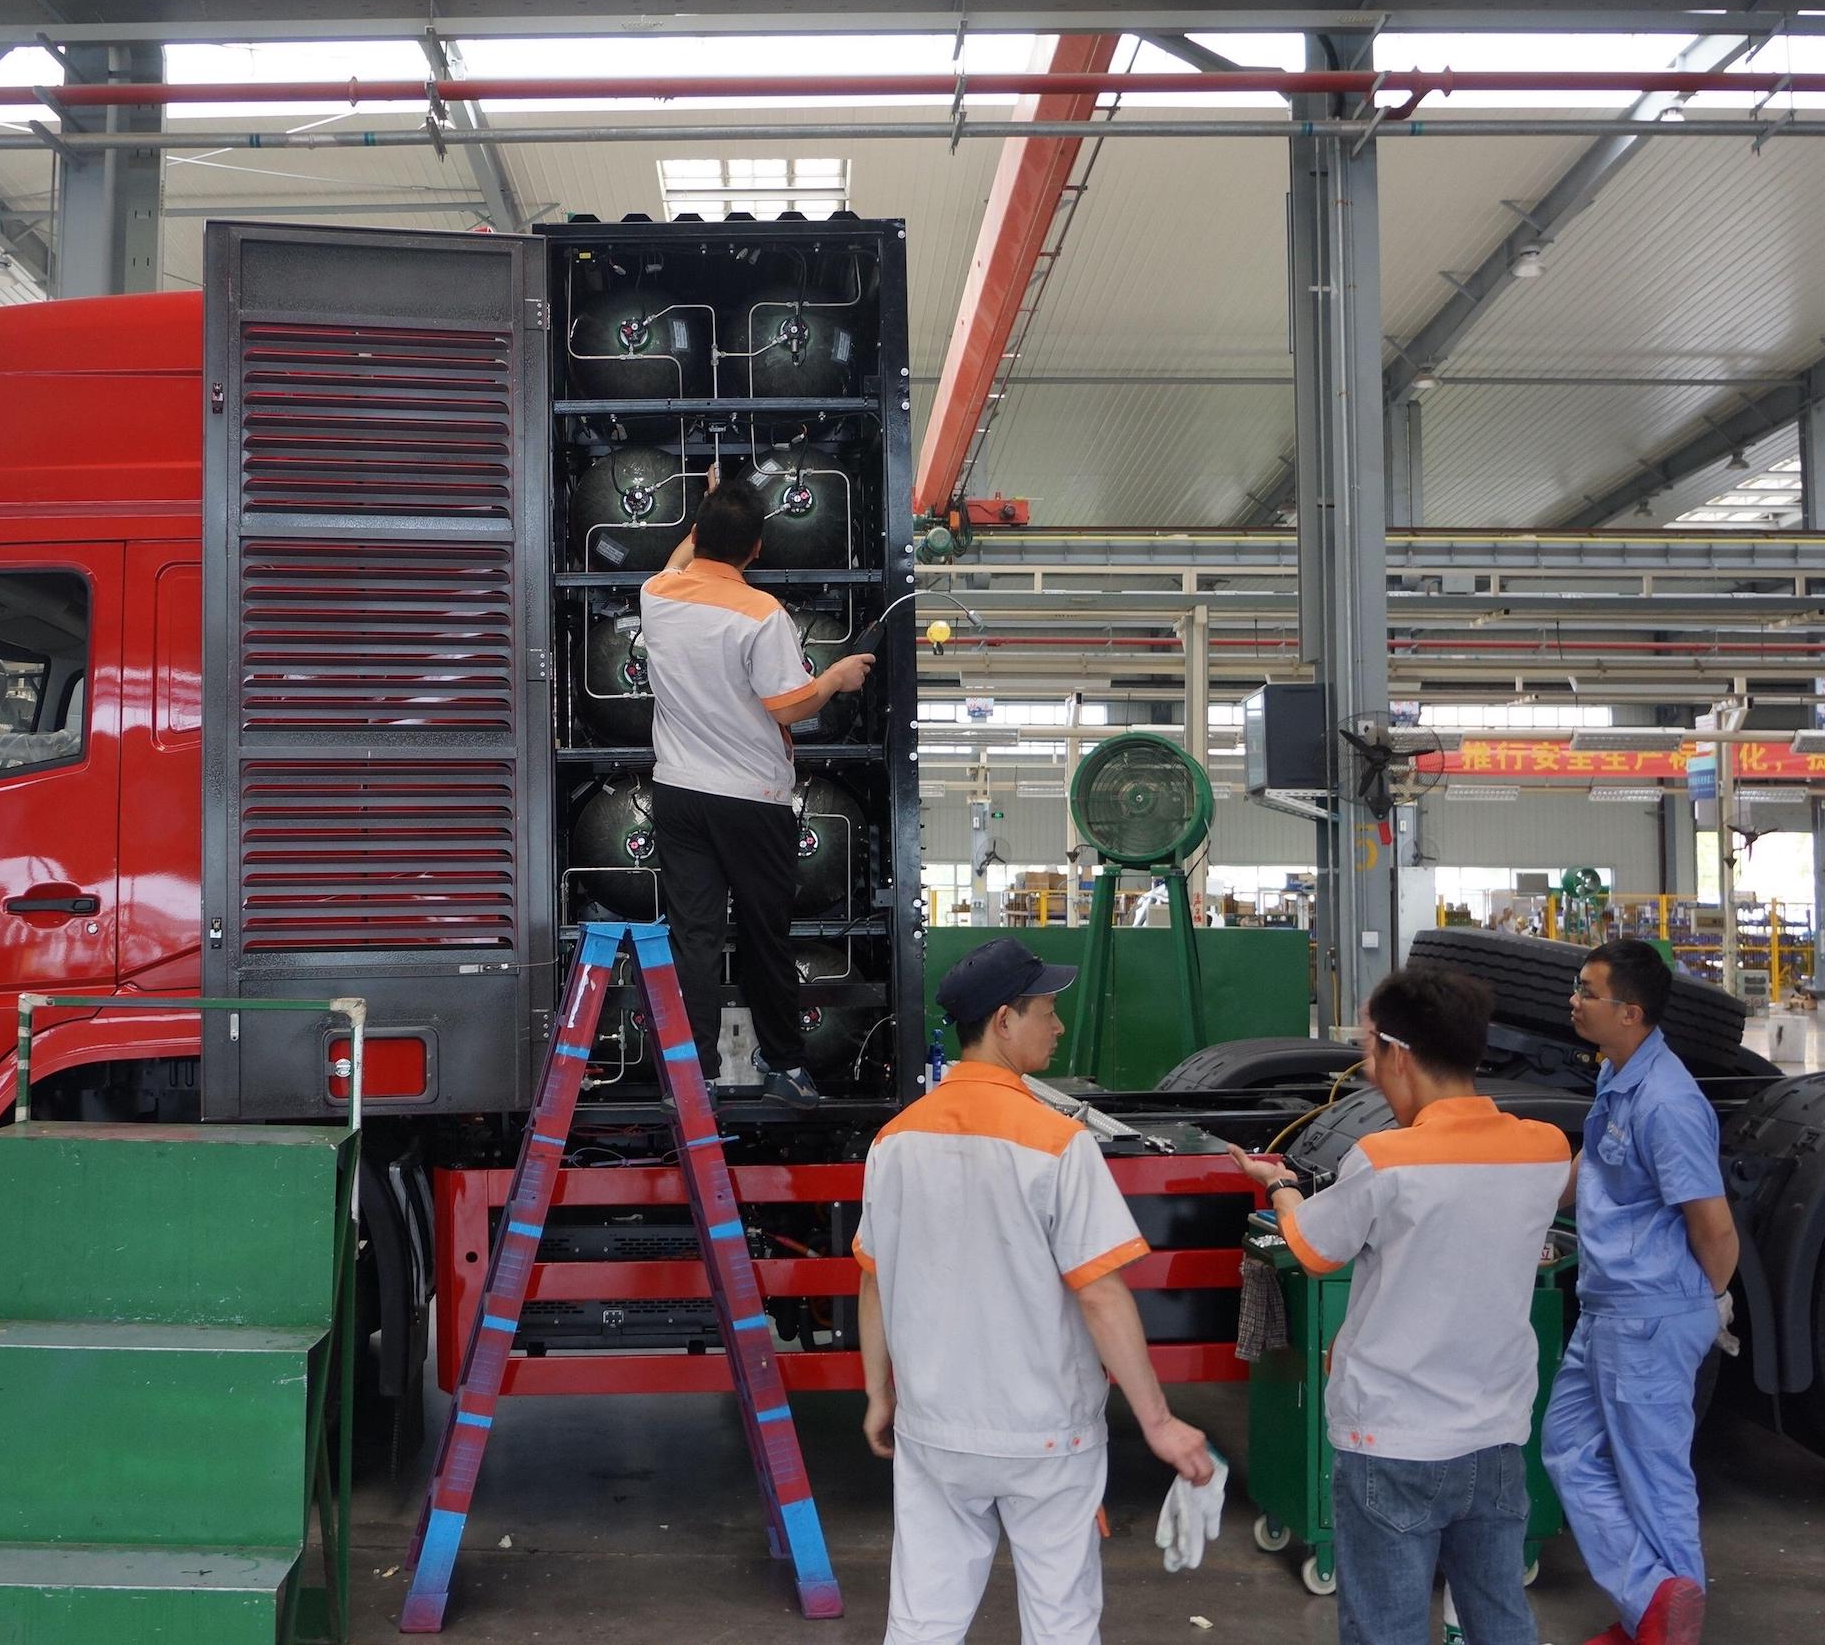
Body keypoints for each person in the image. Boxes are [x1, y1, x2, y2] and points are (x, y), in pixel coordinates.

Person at [855, 937, 1213, 1645]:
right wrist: (1158, 1421)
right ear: (1003, 1020)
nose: (1058, 1026)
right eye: (1046, 1011)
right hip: (1047, 1437)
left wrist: (879, 1394)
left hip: (936, 1431)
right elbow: (1100, 1294)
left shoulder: (893, 1142)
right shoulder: (1058, 1144)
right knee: (1061, 1623)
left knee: (923, 1620)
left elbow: (874, 1278)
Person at [1230, 963, 1569, 1645]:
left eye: (1368, 1048)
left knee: (1386, 1630)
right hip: (1495, 1441)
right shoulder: (1546, 1150)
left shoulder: (1385, 1159)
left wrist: (1279, 1187)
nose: (1366, 1067)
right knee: (1500, 1620)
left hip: (1392, 1443)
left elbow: (1313, 1249)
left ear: (1399, 1054)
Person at [637, 480, 873, 1107]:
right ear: (758, 548)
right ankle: (786, 1069)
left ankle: (695, 1076)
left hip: (678, 792)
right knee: (765, 936)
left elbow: (679, 559)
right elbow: (788, 705)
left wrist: (707, 514)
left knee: (694, 938)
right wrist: (836, 677)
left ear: (697, 536)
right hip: (752, 797)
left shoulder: (656, 594)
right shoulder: (763, 613)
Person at [1542, 939, 1739, 1645]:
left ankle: (1667, 1630)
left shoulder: (1668, 1102)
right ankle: (1652, 1605)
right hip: (1607, 1308)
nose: (1574, 1001)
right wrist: (1522, 1204)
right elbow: (1592, 1163)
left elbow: (1714, 1229)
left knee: (1655, 1481)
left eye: (1587, 992)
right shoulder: (1617, 1074)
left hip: (1650, 1315)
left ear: (1630, 1012)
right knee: (1567, 1448)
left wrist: (1697, 1303)